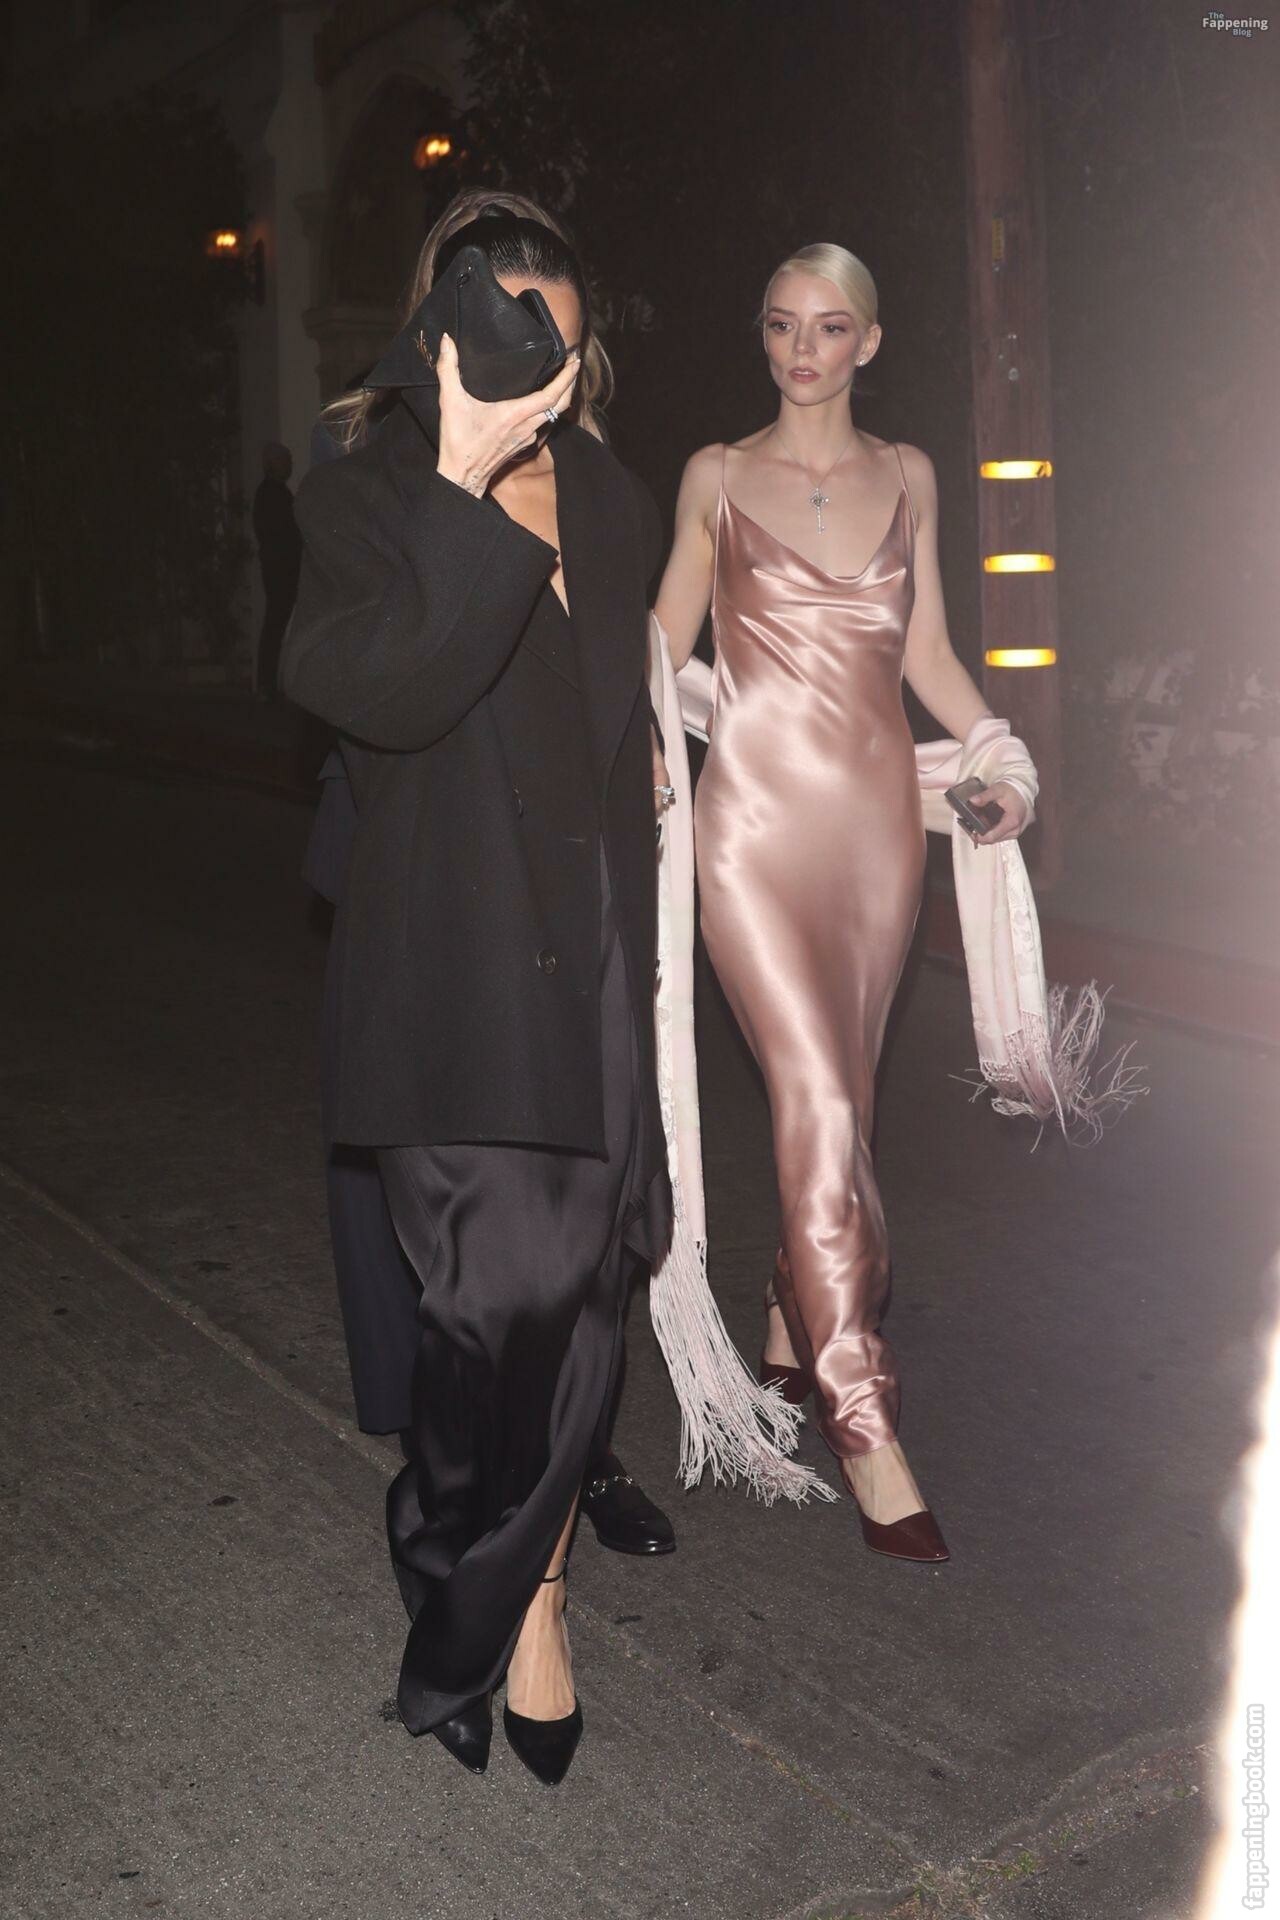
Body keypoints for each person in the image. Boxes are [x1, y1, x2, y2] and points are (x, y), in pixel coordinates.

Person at [281, 207, 672, 1785]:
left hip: (589, 953)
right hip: (451, 961)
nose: (534, 363)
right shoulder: (361, 495)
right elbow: (380, 694)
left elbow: (624, 740)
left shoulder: (616, 498)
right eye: (502, 327)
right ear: (437, 335)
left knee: (583, 1302)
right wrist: (457, 476)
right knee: (482, 1315)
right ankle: (458, 1564)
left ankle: (528, 1604)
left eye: (557, 340)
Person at [654, 243, 1033, 1563]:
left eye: (827, 328)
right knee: (816, 1102)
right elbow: (660, 650)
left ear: (867, 342)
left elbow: (925, 654)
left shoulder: (910, 475)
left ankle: (788, 1293)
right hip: (750, 834)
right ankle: (860, 1413)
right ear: (761, 338)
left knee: (847, 1111)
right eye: (779, 326)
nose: (800, 350)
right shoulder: (714, 476)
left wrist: (1001, 759)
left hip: (877, 837)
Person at [252, 442, 301, 697]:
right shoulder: (273, 495)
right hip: (281, 571)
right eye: (286, 459)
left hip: (280, 569)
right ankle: (267, 682)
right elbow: (283, 534)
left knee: (276, 624)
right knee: (276, 624)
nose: (290, 464)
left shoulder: (273, 493)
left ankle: (269, 682)